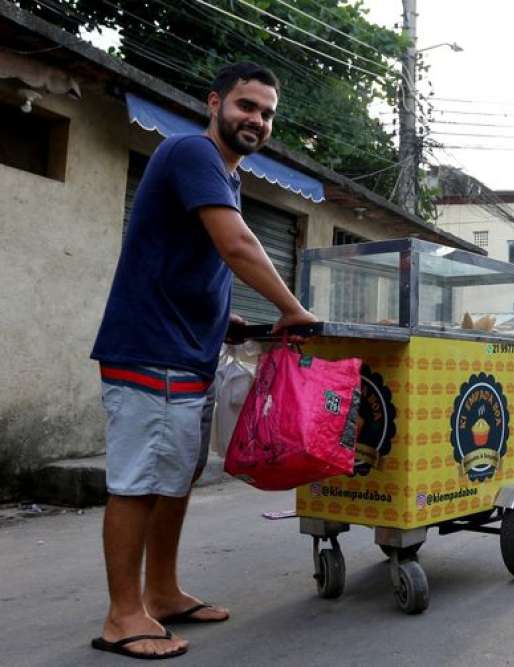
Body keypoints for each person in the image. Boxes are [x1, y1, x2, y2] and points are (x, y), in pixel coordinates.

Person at [89, 63, 318, 660]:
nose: (257, 121)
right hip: (151, 351)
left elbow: (191, 262)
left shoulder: (225, 175)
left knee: (175, 479)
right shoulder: (192, 152)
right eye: (246, 106)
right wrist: (292, 309)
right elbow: (237, 245)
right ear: (214, 102)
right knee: (139, 483)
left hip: (189, 351)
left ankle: (160, 592)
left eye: (267, 113)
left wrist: (226, 321)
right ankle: (122, 615)